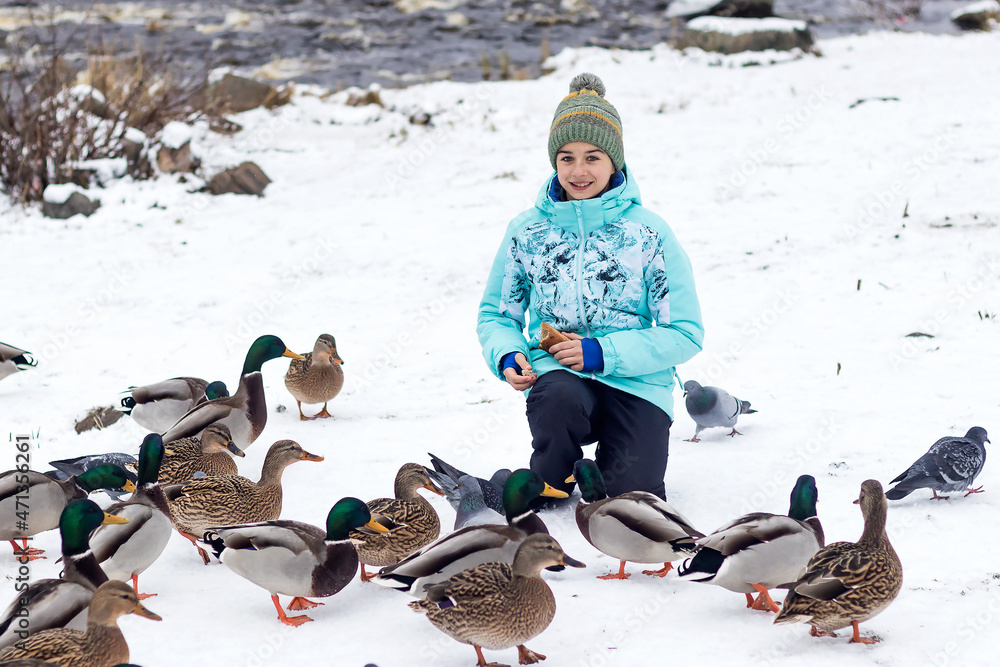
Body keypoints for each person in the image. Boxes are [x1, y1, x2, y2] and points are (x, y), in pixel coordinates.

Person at [476, 72, 704, 500]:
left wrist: (602, 352)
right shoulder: (527, 231)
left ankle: (615, 467)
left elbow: (685, 333)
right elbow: (496, 315)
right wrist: (508, 353)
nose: (578, 171)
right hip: (559, 378)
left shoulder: (648, 233)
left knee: (629, 502)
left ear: (614, 160)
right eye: (566, 158)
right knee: (557, 398)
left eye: (592, 157)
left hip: (638, 382)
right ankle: (552, 477)